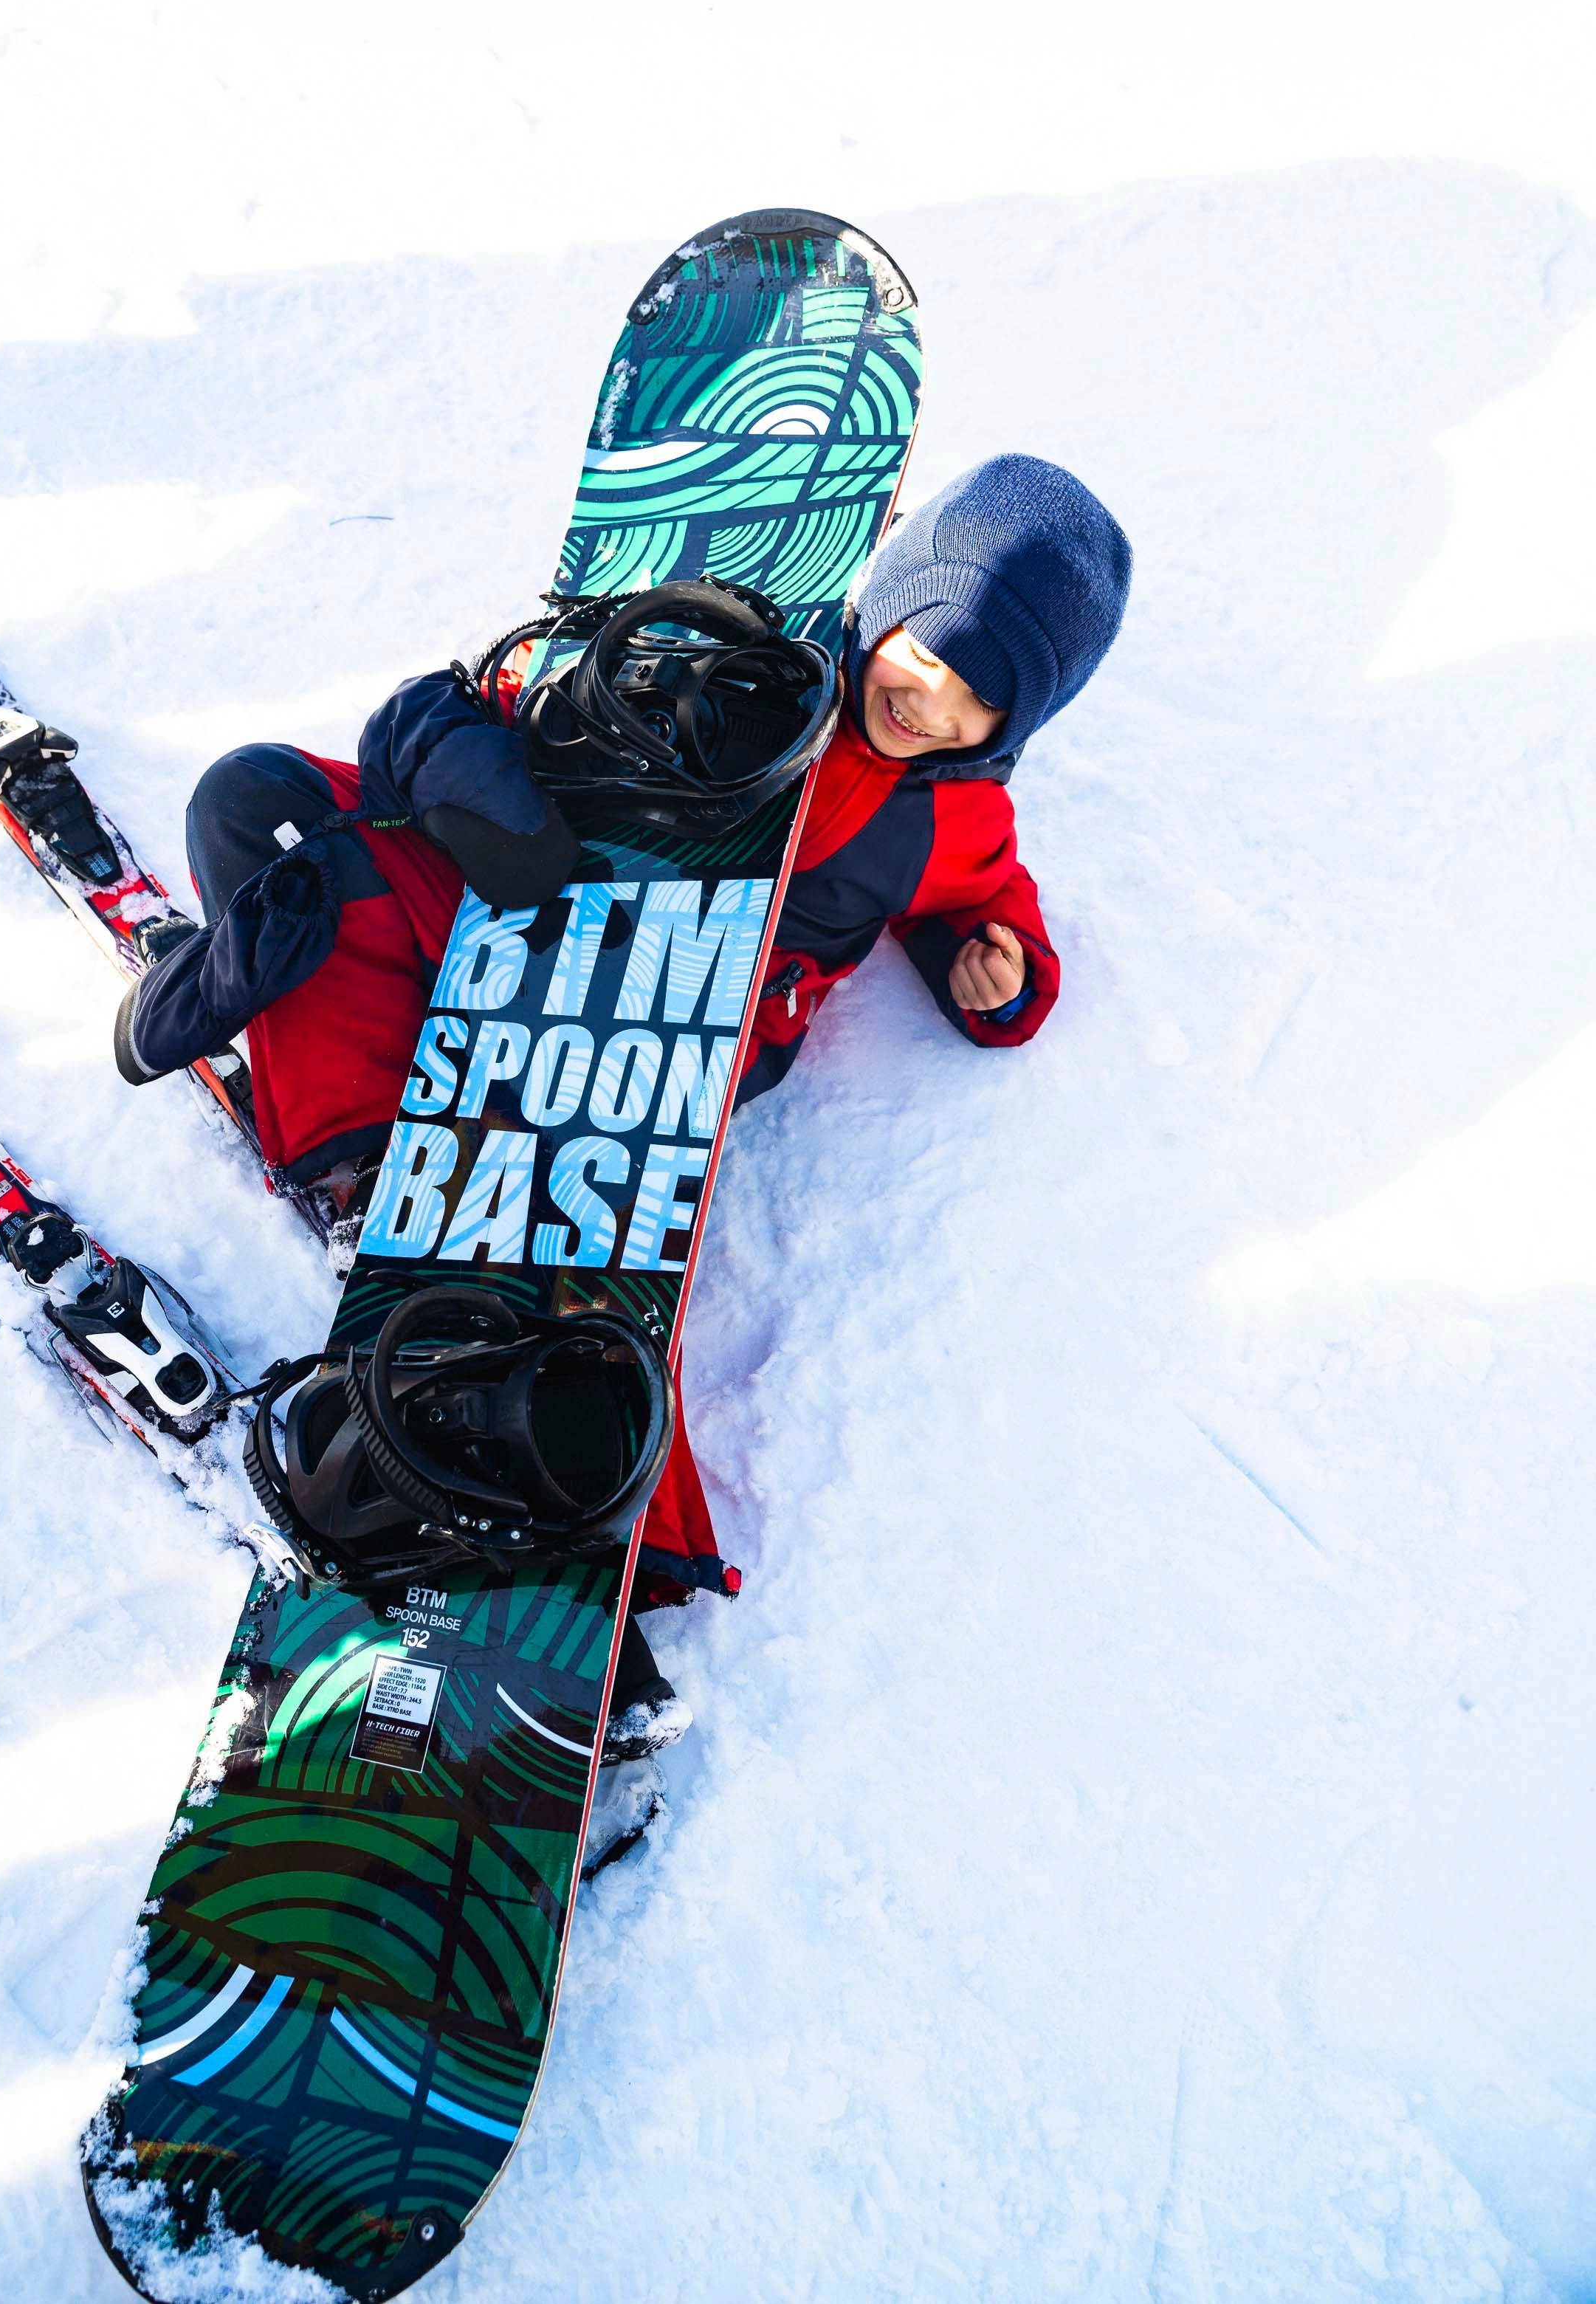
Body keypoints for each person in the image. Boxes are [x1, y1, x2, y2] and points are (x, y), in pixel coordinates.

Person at [114, 454, 1131, 1753]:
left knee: (579, 1239)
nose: (935, 704)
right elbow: (469, 702)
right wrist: (467, 767)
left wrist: (1001, 972)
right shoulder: (730, 652)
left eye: (984, 702)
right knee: (267, 807)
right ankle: (373, 1176)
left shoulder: (951, 821)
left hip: (661, 1020)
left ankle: (582, 1581)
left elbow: (985, 902)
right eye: (930, 655)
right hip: (529, 906)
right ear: (886, 607)